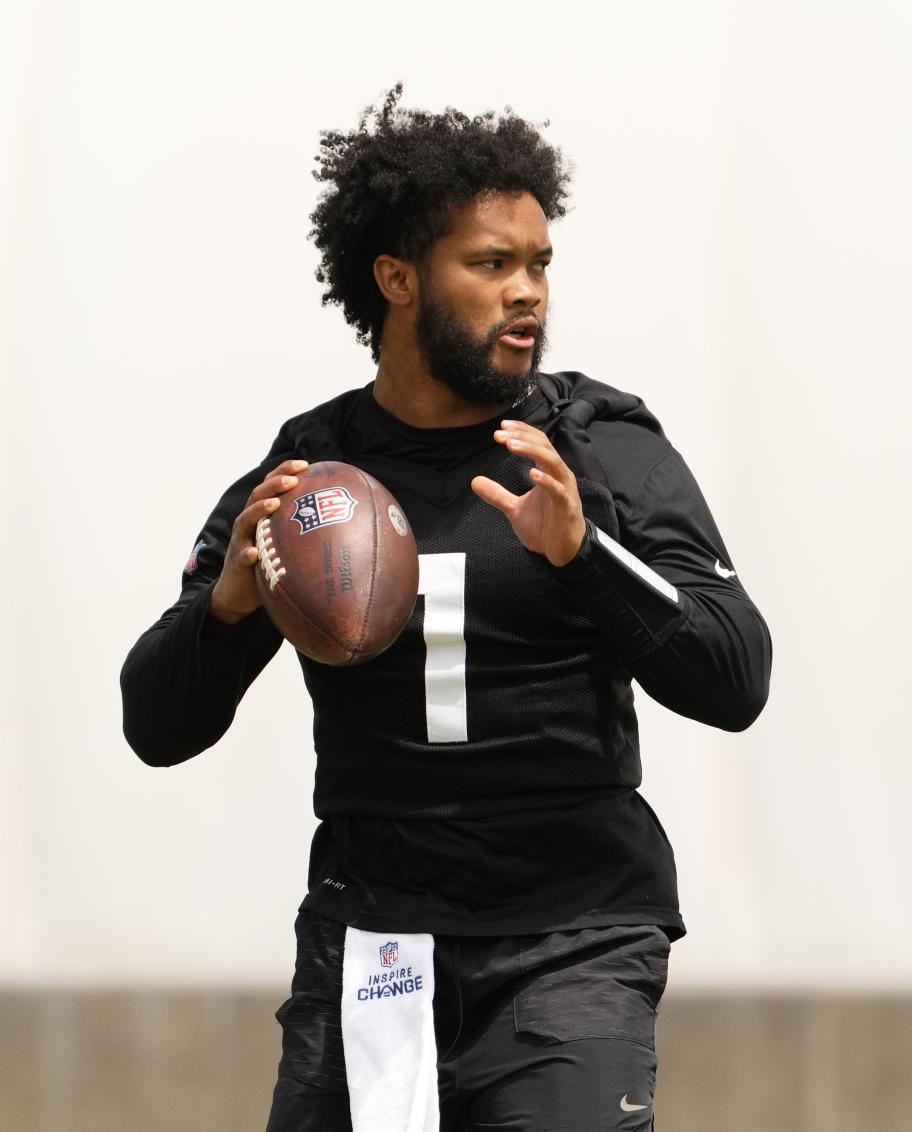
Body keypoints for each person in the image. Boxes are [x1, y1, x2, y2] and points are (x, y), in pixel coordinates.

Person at [121, 84, 772, 1132]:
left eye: (540, 264)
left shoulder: (598, 448)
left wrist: (585, 552)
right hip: (376, 941)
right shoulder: (309, 476)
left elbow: (739, 675)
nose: (528, 293)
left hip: (573, 940)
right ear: (398, 278)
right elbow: (155, 724)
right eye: (492, 265)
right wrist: (231, 604)